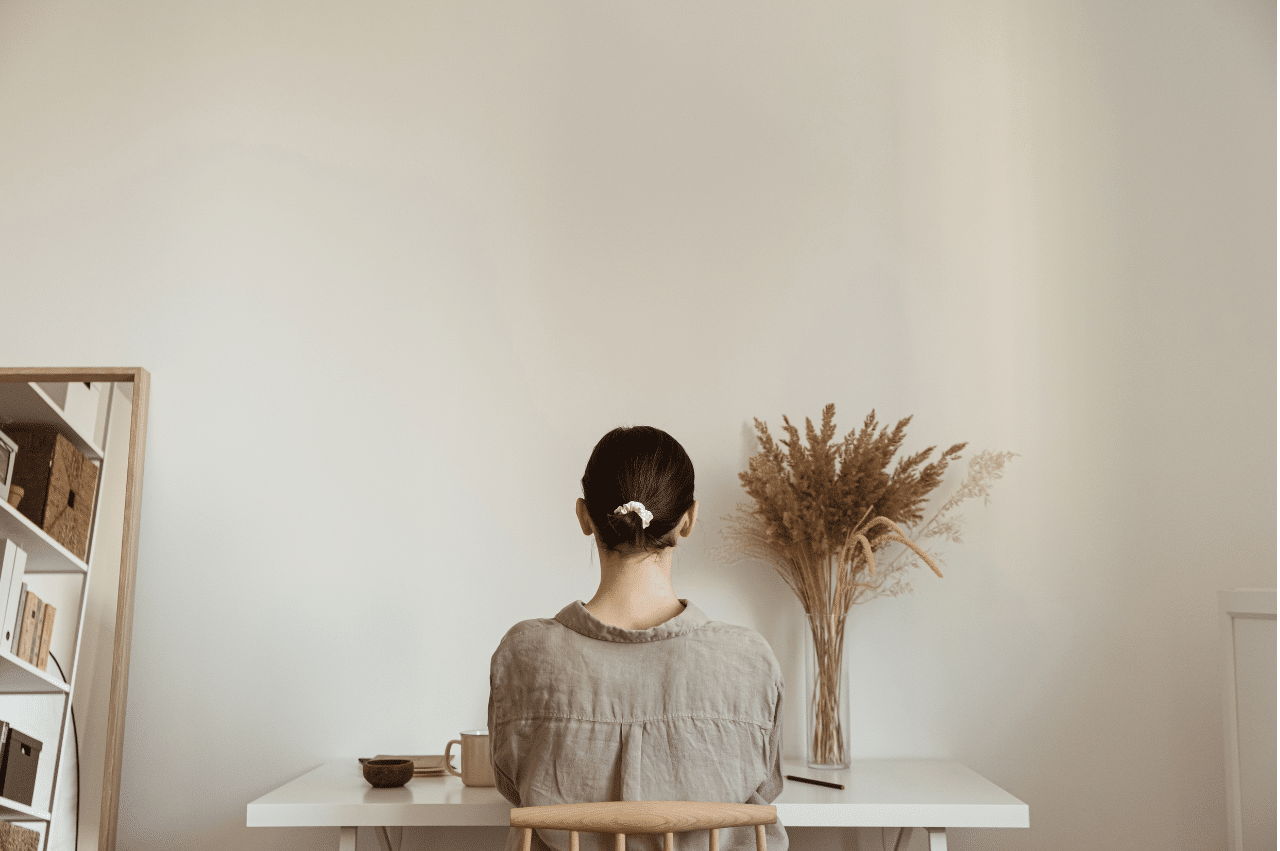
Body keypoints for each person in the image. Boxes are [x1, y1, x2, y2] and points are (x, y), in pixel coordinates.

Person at [488, 426, 788, 851]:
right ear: (689, 519)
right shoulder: (750, 659)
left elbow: (513, 787)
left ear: (584, 517)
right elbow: (768, 789)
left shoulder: (523, 653)